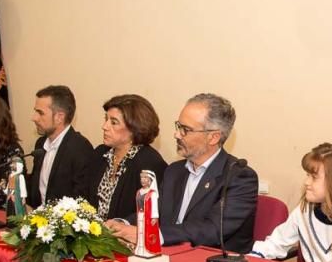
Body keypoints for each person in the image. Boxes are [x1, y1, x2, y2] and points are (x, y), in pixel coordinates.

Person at [107, 93, 258, 253]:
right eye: (178, 126)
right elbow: (154, 212)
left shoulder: (238, 177)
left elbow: (212, 230)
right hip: (168, 258)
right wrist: (122, 224)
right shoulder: (174, 171)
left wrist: (153, 235)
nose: (176, 134)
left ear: (213, 137)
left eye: (185, 130)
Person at [84, 94, 167, 222]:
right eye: (106, 119)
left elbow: (150, 215)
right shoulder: (100, 154)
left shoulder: (149, 164)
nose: (104, 126)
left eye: (113, 122)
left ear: (134, 128)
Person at [26, 85, 93, 208]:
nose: (34, 118)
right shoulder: (40, 144)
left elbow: (80, 200)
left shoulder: (80, 148)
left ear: (59, 117)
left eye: (40, 113)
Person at [134, 170, 163, 257]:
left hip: (148, 217)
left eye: (145, 178)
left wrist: (154, 217)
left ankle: (148, 250)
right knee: (140, 233)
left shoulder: (152, 193)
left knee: (148, 234)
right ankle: (140, 249)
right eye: (142, 178)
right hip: (140, 216)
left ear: (150, 180)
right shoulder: (139, 192)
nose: (143, 180)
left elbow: (154, 206)